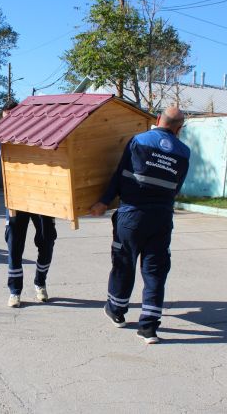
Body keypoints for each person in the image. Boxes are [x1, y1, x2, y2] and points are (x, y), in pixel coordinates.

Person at [90, 106, 190, 344]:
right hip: (162, 218)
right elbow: (176, 187)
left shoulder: (139, 140)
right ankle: (148, 328)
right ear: (179, 129)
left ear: (158, 120)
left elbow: (119, 174)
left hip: (132, 215)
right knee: (155, 270)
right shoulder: (184, 152)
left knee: (124, 262)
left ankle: (116, 310)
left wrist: (103, 202)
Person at [5, 210, 57, 308]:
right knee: (14, 244)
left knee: (47, 240)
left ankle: (40, 282)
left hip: (43, 198)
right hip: (17, 200)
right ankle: (15, 291)